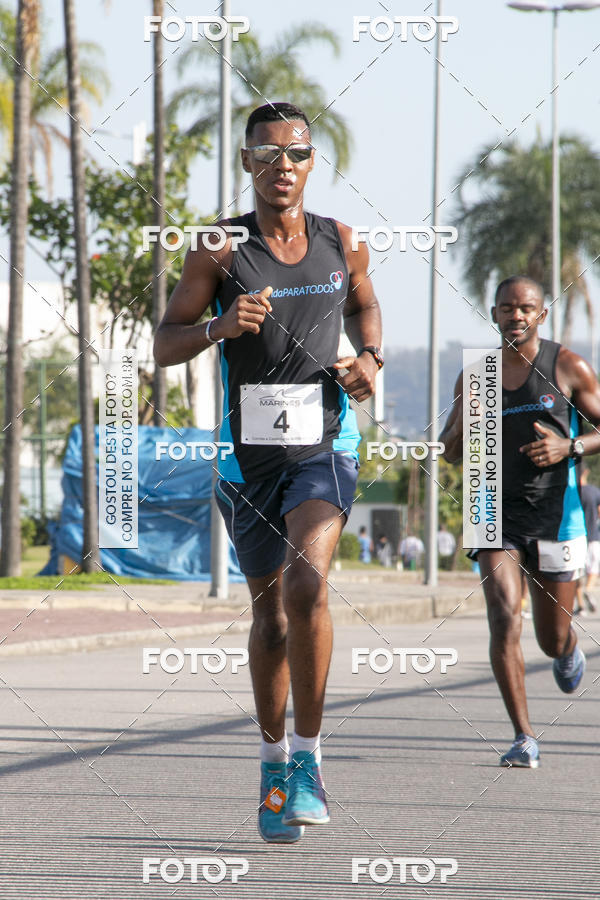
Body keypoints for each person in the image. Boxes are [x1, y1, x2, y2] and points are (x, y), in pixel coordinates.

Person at [153, 102, 382, 842]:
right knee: (270, 620)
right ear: (247, 163)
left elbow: (368, 310)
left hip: (323, 447)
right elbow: (163, 343)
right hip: (245, 459)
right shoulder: (218, 249)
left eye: (296, 154)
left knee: (306, 583)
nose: (282, 166)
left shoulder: (342, 242)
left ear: (312, 163)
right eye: (266, 155)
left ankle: (311, 759)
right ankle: (273, 762)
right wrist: (219, 327)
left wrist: (369, 362)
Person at [440, 275, 600, 768]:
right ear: (494, 313)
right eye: (507, 308)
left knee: (551, 639)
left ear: (541, 315)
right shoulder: (478, 374)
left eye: (526, 308)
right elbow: (448, 451)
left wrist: (568, 446)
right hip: (492, 508)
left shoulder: (568, 366)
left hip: (556, 513)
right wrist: (463, 425)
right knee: (504, 612)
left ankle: (568, 645)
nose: (516, 315)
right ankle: (524, 736)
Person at [574, 466, 600, 615]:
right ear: (586, 473)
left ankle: (581, 606)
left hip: (576, 536)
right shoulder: (594, 491)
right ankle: (588, 589)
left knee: (577, 572)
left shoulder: (572, 492)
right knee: (593, 570)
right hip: (593, 536)